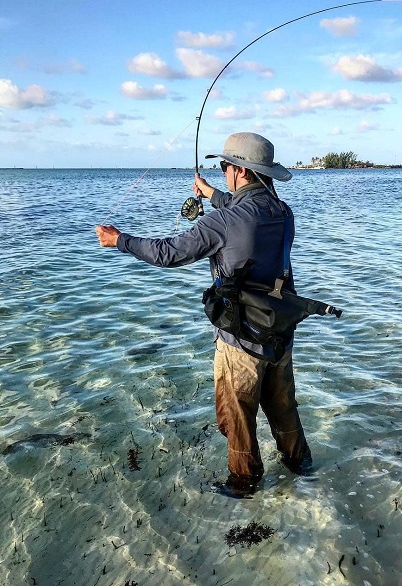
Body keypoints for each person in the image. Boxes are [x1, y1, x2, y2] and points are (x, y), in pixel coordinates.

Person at [95, 132, 312, 499]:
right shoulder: (282, 212)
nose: (224, 171)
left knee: (237, 420)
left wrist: (120, 240)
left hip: (240, 341)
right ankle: (302, 469)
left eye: (226, 166)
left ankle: (244, 486)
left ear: (241, 171)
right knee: (284, 411)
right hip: (279, 333)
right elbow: (242, 209)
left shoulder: (224, 223)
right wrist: (211, 194)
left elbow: (168, 253)